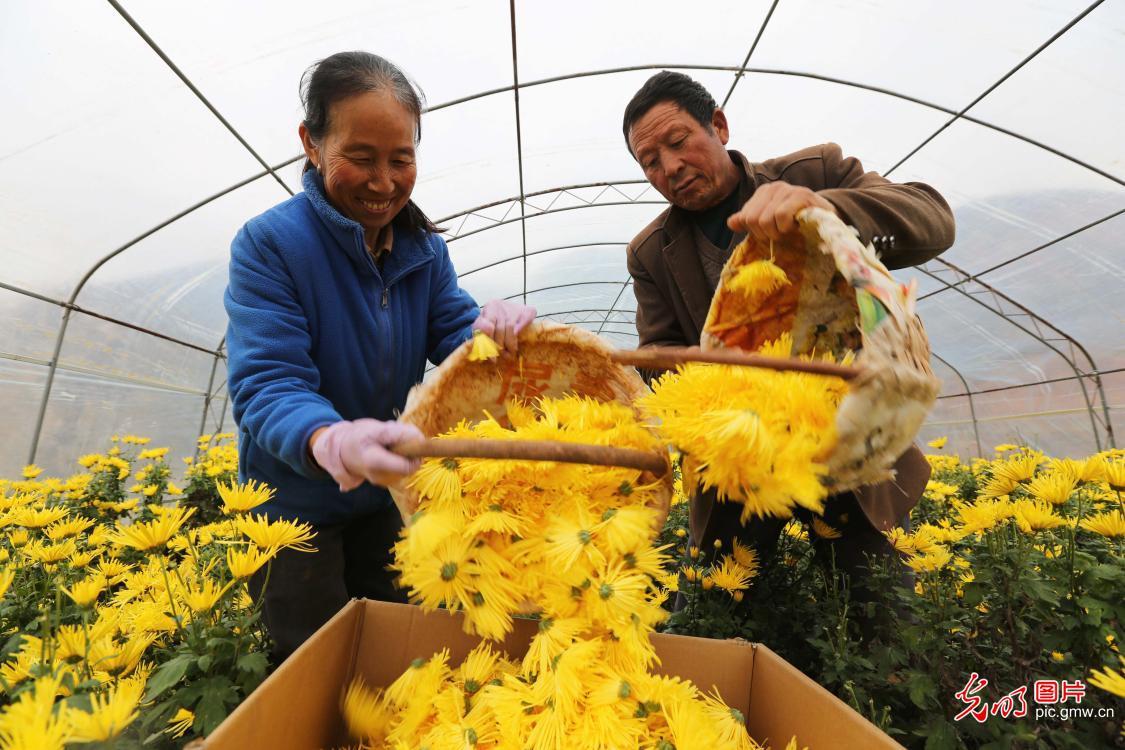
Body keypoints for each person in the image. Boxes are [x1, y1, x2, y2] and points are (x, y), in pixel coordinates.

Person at [224, 51, 535, 663]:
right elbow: (267, 382)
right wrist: (331, 439)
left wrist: (492, 334)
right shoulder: (271, 245)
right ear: (311, 144)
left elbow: (455, 339)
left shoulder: (420, 248)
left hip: (382, 498)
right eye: (360, 158)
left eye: (401, 159)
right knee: (318, 668)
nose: (384, 182)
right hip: (289, 514)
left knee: (398, 656)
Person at [621, 71, 955, 621]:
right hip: (740, 457)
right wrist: (707, 378)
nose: (670, 167)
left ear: (719, 126)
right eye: (650, 162)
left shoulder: (814, 172)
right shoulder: (652, 251)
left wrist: (825, 209)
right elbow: (661, 354)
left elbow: (933, 220)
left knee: (880, 609)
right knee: (713, 607)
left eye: (678, 143)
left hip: (844, 439)